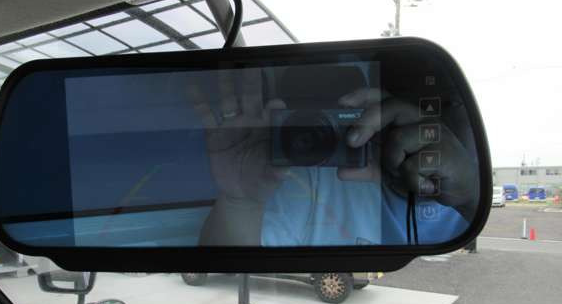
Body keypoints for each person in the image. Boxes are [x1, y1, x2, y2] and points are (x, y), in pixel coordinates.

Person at [193, 62, 479, 247]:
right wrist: (240, 201)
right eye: (404, 105)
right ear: (371, 110)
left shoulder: (474, 188)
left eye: (445, 105)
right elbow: (228, 267)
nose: (423, 127)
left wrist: (470, 196)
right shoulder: (310, 180)